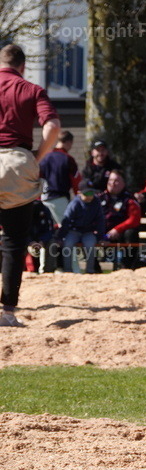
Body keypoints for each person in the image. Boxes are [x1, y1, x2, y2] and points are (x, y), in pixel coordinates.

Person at [0, 44, 60, 326]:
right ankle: (7, 311)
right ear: (23, 66)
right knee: (13, 242)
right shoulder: (32, 90)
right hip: (17, 160)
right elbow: (52, 127)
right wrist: (37, 156)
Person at [38, 130, 79, 272]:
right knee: (68, 233)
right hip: (60, 200)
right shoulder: (68, 159)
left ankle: (44, 268)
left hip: (43, 199)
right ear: (69, 142)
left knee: (46, 234)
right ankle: (73, 267)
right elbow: (76, 183)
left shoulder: (44, 158)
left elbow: (37, 180)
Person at [96, 169, 142, 270]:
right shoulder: (99, 198)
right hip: (101, 233)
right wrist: (100, 235)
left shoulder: (129, 199)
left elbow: (134, 219)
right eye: (111, 180)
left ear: (123, 183)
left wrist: (117, 230)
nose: (112, 183)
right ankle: (94, 267)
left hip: (120, 234)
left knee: (131, 233)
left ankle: (126, 267)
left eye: (116, 181)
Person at [55, 183, 105, 274]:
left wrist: (100, 237)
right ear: (79, 193)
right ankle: (68, 271)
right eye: (87, 194)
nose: (90, 196)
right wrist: (60, 237)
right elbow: (66, 221)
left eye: (92, 194)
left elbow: (100, 220)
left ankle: (90, 271)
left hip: (88, 231)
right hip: (74, 230)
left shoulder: (96, 202)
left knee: (90, 245)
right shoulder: (75, 204)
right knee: (67, 244)